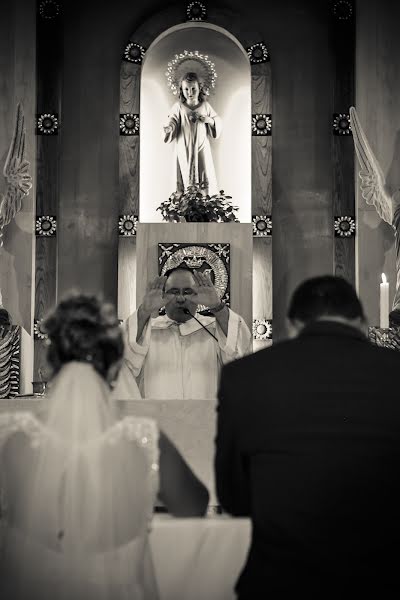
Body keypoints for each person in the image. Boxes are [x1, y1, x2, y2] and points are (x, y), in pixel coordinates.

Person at [0, 293, 209, 600]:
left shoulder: (11, 438)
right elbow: (194, 506)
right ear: (113, 370)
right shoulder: (144, 439)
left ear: (50, 365)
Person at [215, 275, 400, 596]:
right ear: (363, 321)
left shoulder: (243, 376)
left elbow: (234, 496)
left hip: (282, 581)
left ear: (291, 324)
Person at [112, 266, 252, 400]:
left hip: (206, 418)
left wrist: (217, 306)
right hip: (157, 418)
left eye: (187, 292)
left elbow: (240, 354)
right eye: (173, 291)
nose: (180, 299)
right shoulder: (146, 330)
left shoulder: (214, 329)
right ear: (162, 294)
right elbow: (120, 358)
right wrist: (144, 311)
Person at [164, 72, 222, 196]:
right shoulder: (178, 106)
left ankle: (204, 202)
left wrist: (209, 120)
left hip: (201, 147)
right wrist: (169, 128)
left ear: (199, 88)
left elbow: (217, 120)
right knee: (183, 172)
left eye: (193, 89)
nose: (190, 92)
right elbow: (173, 120)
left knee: (203, 170)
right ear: (181, 90)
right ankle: (184, 203)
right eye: (186, 89)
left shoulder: (205, 106)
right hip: (183, 147)